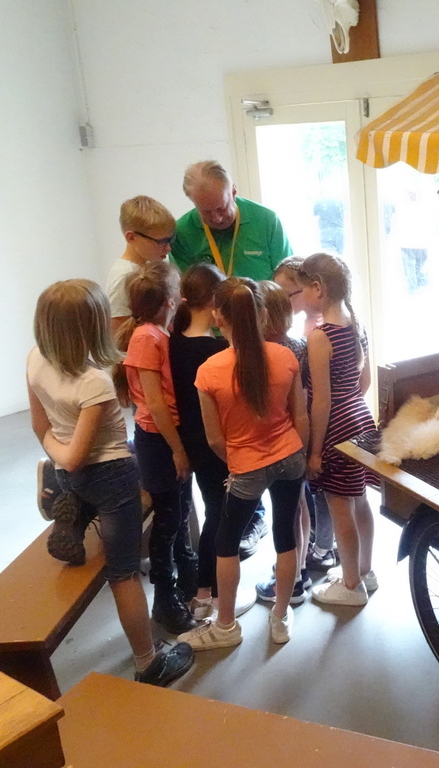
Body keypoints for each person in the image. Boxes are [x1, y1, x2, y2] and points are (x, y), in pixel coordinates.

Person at [26, 279, 194, 686]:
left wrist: (59, 459)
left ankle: (68, 499)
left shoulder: (34, 359)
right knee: (122, 574)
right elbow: (78, 453)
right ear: (93, 326)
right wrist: (65, 459)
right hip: (109, 476)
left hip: (74, 472)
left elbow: (39, 424)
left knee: (80, 472)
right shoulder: (94, 383)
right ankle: (148, 662)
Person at [171, 160, 294, 558]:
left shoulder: (267, 221)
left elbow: (283, 282)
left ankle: (277, 511)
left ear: (234, 191)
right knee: (232, 430)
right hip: (217, 348)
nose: (217, 216)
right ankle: (248, 508)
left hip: (264, 343)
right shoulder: (185, 231)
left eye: (222, 207)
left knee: (271, 423)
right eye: (207, 212)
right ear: (192, 205)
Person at [179, 278, 308, 649]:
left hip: (246, 466)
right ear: (263, 313)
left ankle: (225, 627)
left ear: (219, 317)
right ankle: (281, 617)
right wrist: (303, 454)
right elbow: (300, 417)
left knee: (226, 542)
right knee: (285, 537)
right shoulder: (285, 356)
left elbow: (215, 438)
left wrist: (236, 463)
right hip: (289, 457)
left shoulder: (209, 371)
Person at [113, 261, 198, 636]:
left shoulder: (156, 332)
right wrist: (178, 449)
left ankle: (185, 579)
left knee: (179, 513)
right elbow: (155, 403)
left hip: (167, 437)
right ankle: (165, 598)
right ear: (169, 300)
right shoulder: (147, 337)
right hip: (159, 440)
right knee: (166, 522)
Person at [169, 264, 255, 621]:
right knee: (221, 516)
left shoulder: (174, 341)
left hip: (192, 440)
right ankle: (212, 592)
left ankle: (206, 589)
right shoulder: (217, 349)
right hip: (220, 442)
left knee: (214, 511)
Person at [295, 253, 379, 607]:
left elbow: (321, 402)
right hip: (360, 417)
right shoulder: (355, 323)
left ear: (318, 287)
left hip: (336, 427)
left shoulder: (320, 336)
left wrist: (314, 452)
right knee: (359, 499)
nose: (299, 300)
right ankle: (364, 571)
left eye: (301, 291)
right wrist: (351, 405)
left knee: (339, 504)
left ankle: (350, 585)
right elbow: (364, 380)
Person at [273, 259, 338, 571]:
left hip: (318, 419)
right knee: (312, 490)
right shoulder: (305, 326)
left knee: (322, 487)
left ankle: (324, 545)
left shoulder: (318, 331)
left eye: (286, 294)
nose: (282, 301)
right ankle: (318, 542)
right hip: (309, 416)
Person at [256, 281, 313, 607]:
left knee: (286, 512)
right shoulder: (300, 346)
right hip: (299, 432)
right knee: (299, 504)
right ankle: (300, 567)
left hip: (279, 436)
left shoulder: (267, 353)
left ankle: (289, 581)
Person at [106, 196, 176, 333]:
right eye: (161, 241)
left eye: (170, 240)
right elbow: (120, 336)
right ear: (131, 237)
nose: (168, 248)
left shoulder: (145, 268)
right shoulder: (124, 276)